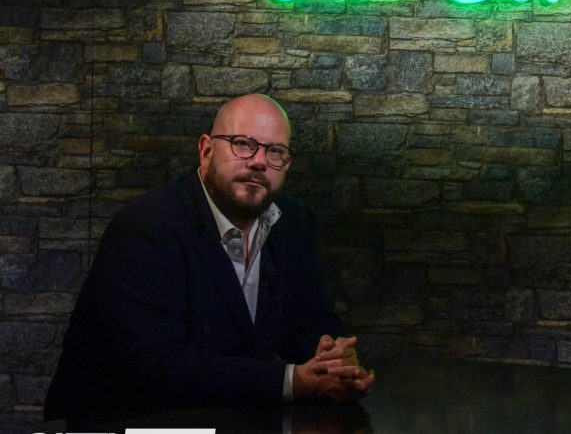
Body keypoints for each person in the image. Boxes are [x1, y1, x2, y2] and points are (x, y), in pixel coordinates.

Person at [45, 94, 375, 422]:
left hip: (224, 417)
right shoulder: (146, 227)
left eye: (275, 151)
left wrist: (333, 358)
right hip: (123, 421)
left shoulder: (294, 222)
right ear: (206, 151)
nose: (259, 161)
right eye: (243, 144)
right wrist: (293, 381)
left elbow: (312, 318)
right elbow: (156, 366)